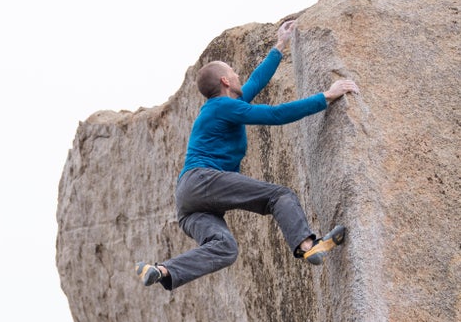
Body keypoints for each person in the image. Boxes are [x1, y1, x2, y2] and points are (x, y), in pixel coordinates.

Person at [135, 20, 359, 291]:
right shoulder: (222, 107)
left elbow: (255, 81)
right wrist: (327, 96)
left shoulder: (227, 106)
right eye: (234, 73)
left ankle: (162, 269)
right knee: (279, 196)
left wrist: (280, 44)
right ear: (225, 81)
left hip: (187, 203)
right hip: (202, 180)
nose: (239, 76)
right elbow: (275, 115)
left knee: (225, 248)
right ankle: (307, 245)